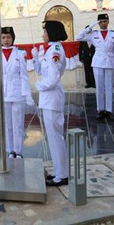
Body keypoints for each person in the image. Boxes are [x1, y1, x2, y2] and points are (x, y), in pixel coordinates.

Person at [0, 27, 34, 159]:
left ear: (12, 38)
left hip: (18, 92)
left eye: (8, 37)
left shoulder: (20, 53)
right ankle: (10, 150)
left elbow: (24, 76)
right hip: (4, 93)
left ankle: (19, 151)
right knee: (7, 124)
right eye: (3, 37)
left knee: (18, 124)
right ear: (0, 39)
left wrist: (28, 95)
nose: (6, 40)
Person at [33, 21, 69, 186]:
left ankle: (62, 175)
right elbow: (42, 71)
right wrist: (36, 58)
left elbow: (53, 79)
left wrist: (39, 86)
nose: (43, 35)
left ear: (52, 33)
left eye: (45, 32)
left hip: (52, 97)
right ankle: (58, 171)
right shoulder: (50, 50)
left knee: (56, 138)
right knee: (53, 138)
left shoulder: (55, 50)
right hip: (49, 99)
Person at [75, 14, 114, 121]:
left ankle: (108, 111)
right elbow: (78, 37)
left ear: (108, 22)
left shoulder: (113, 34)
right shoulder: (93, 34)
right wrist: (91, 26)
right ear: (98, 23)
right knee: (99, 87)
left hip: (110, 62)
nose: (103, 23)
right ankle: (100, 110)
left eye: (105, 21)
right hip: (98, 62)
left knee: (109, 87)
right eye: (101, 21)